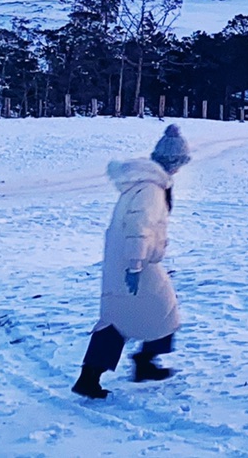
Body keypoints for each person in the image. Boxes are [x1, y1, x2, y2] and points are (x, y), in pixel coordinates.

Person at [72, 124, 191, 399]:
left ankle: (136, 365)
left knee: (143, 314)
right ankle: (114, 371)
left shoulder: (147, 183)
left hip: (132, 259)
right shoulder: (151, 189)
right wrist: (135, 265)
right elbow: (139, 226)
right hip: (134, 262)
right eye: (179, 162)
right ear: (173, 162)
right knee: (151, 313)